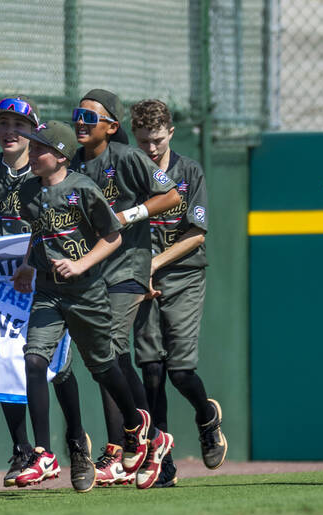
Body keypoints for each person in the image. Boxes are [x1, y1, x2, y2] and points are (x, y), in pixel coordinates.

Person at [11, 121, 150, 492]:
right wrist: (27, 263)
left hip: (86, 293)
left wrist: (82, 264)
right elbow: (38, 234)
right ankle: (43, 452)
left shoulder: (83, 189)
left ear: (59, 155)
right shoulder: (28, 191)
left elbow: (113, 236)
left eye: (39, 148)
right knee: (34, 359)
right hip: (47, 291)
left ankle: (135, 427)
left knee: (103, 367)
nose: (32, 153)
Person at [0, 95, 82, 488]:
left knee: (56, 367)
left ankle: (76, 442)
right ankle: (24, 449)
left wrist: (33, 260)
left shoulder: (45, 169)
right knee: (7, 359)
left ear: (34, 130)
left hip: (45, 276)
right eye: (3, 124)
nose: (9, 131)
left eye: (19, 125)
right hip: (3, 282)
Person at [70, 89, 181, 489]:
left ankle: (128, 441)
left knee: (112, 345)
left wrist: (126, 215)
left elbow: (172, 196)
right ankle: (147, 442)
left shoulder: (128, 158)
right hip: (91, 273)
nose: (81, 122)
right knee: (105, 357)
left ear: (111, 126)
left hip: (128, 268)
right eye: (77, 115)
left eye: (89, 116)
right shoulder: (72, 164)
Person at [130, 99, 228, 487]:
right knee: (151, 370)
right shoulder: (130, 172)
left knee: (180, 370)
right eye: (143, 141)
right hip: (141, 278)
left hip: (183, 276)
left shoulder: (189, 171)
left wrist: (155, 262)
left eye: (156, 139)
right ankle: (162, 460)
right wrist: (139, 268)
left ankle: (206, 417)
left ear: (170, 132)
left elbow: (197, 233)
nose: (151, 149)